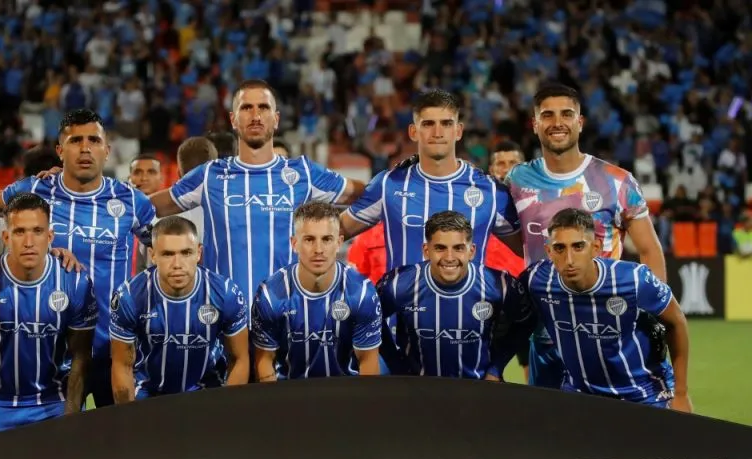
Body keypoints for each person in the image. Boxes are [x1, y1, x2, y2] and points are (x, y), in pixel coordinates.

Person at [0, 109, 156, 408]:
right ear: (60, 151)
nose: (85, 148)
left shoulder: (130, 200)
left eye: (93, 140)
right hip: (49, 355)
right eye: (75, 141)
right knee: (53, 450)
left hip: (113, 352)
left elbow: (164, 252)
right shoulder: (37, 189)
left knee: (115, 447)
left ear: (107, 150)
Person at [147, 79, 365, 309]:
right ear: (233, 119)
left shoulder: (303, 173)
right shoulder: (210, 175)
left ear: (276, 118)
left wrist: (332, 236)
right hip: (222, 319)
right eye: (246, 107)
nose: (255, 115)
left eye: (263, 107)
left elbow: (368, 196)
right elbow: (146, 207)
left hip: (286, 318)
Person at [506, 83, 667, 390]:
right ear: (535, 124)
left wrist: (651, 317)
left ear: (580, 122)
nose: (557, 122)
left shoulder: (617, 181)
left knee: (612, 430)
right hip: (547, 336)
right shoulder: (517, 180)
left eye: (567, 114)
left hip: (609, 334)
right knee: (551, 430)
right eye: (547, 115)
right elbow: (510, 243)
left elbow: (649, 250)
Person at [0, 193, 97, 435]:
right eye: (20, 232)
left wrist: (72, 416)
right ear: (6, 237)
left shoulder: (75, 283)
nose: (29, 241)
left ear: (50, 236)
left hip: (56, 402)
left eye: (38, 231)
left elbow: (80, 357)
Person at [521, 209, 690, 411]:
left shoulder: (634, 280)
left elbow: (676, 322)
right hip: (580, 395)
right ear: (549, 251)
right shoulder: (537, 280)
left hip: (644, 394)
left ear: (596, 247)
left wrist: (681, 394)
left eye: (578, 246)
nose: (569, 259)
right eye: (559, 248)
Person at [340, 89, 521, 270]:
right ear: (413, 132)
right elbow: (329, 235)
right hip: (404, 298)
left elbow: (533, 251)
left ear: (458, 131)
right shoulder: (388, 185)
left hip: (471, 298)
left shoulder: (491, 192)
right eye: (428, 124)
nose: (437, 132)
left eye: (446, 124)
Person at [376, 211, 533, 379]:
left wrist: (496, 368)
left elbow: (526, 322)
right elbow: (370, 320)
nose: (449, 257)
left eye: (458, 248)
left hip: (480, 388)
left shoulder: (500, 285)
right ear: (426, 250)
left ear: (471, 251)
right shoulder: (398, 284)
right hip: (417, 388)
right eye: (440, 248)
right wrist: (396, 364)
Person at [109, 216, 249, 401]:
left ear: (198, 253)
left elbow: (239, 359)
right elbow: (122, 366)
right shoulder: (130, 297)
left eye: (186, 253)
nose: (177, 264)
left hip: (208, 392)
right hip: (149, 395)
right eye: (167, 254)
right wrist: (128, 420)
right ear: (153, 255)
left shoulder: (225, 293)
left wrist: (225, 411)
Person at [252, 201, 382, 380]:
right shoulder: (270, 295)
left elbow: (368, 362)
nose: (318, 250)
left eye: (327, 239)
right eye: (309, 239)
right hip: (288, 398)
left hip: (346, 397)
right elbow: (265, 361)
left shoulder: (361, 293)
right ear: (294, 243)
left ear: (339, 243)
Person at [486, 139, 529, 380]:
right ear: (491, 170)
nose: (507, 168)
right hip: (491, 300)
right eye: (500, 163)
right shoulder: (481, 204)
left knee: (532, 373)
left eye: (513, 163)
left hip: (529, 297)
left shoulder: (539, 205)